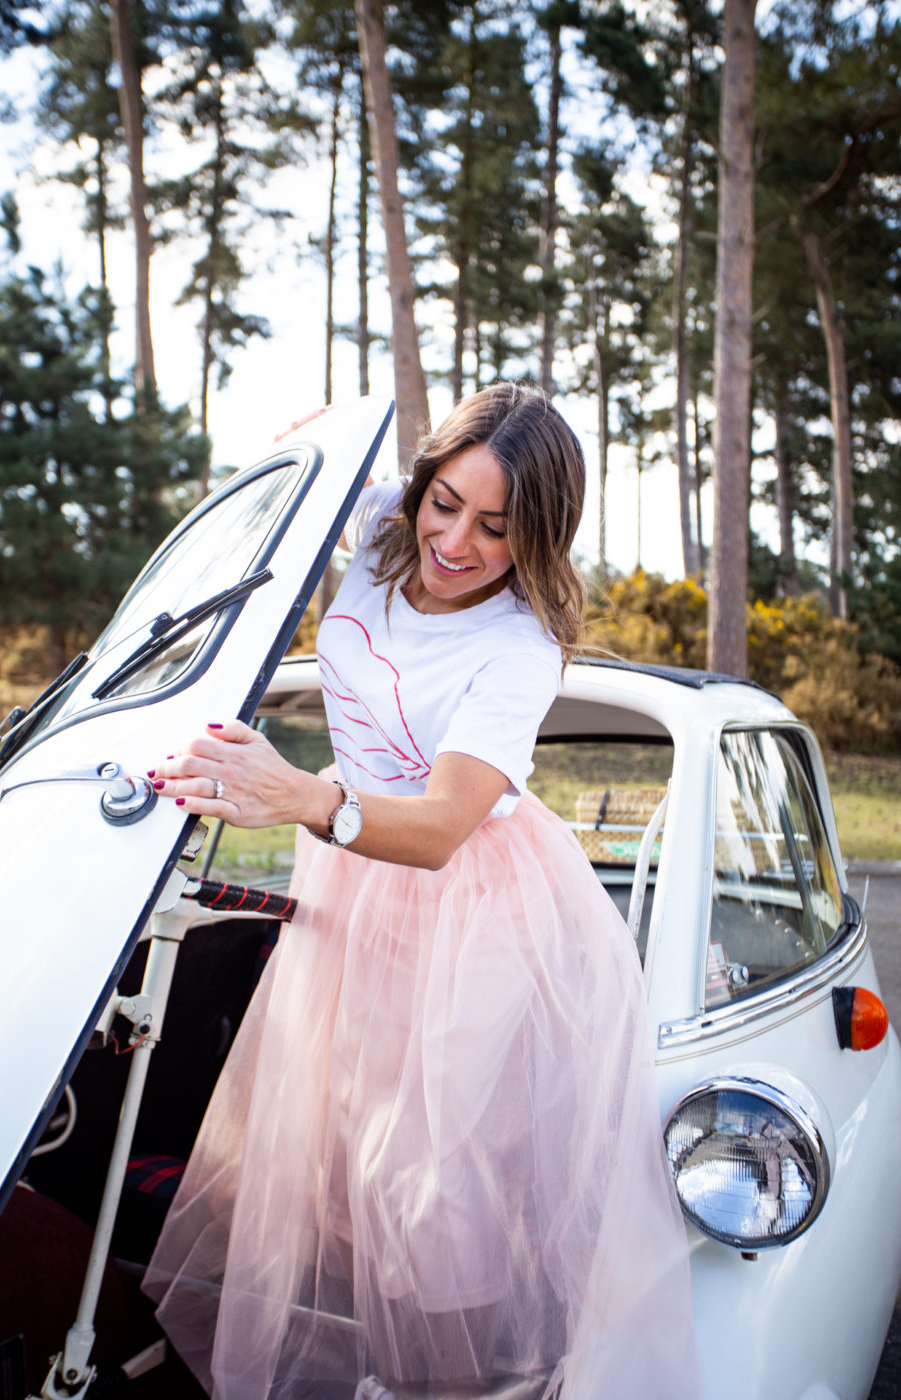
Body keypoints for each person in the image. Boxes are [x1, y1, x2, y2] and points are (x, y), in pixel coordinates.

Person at [142, 384, 701, 1400]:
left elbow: (442, 827)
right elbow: (283, 493)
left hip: (473, 902)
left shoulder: (519, 647)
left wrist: (305, 796)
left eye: (496, 526)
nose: (454, 541)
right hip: (349, 873)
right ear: (423, 480)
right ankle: (379, 1358)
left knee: (436, 1178)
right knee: (340, 1146)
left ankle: (472, 1379)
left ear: (539, 533)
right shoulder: (380, 526)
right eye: (445, 502)